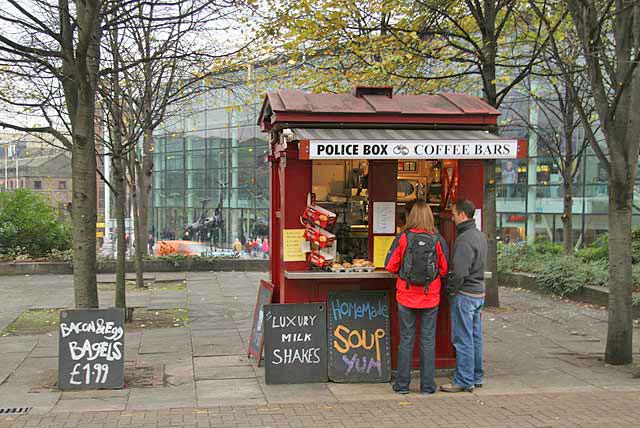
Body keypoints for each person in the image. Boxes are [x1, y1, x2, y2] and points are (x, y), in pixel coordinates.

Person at [384, 201, 448, 395]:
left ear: (411, 216)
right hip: (430, 296)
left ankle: (403, 385)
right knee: (428, 341)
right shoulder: (438, 239)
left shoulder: (403, 238)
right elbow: (444, 269)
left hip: (406, 296)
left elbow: (390, 266)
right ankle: (427, 386)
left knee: (406, 339)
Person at [441, 199, 488, 393]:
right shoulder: (479, 236)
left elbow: (460, 271)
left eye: (453, 214)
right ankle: (477, 376)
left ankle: (463, 379)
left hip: (465, 294)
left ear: (462, 215)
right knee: (475, 337)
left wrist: (451, 290)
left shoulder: (464, 239)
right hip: (479, 293)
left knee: (462, 338)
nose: (451, 218)